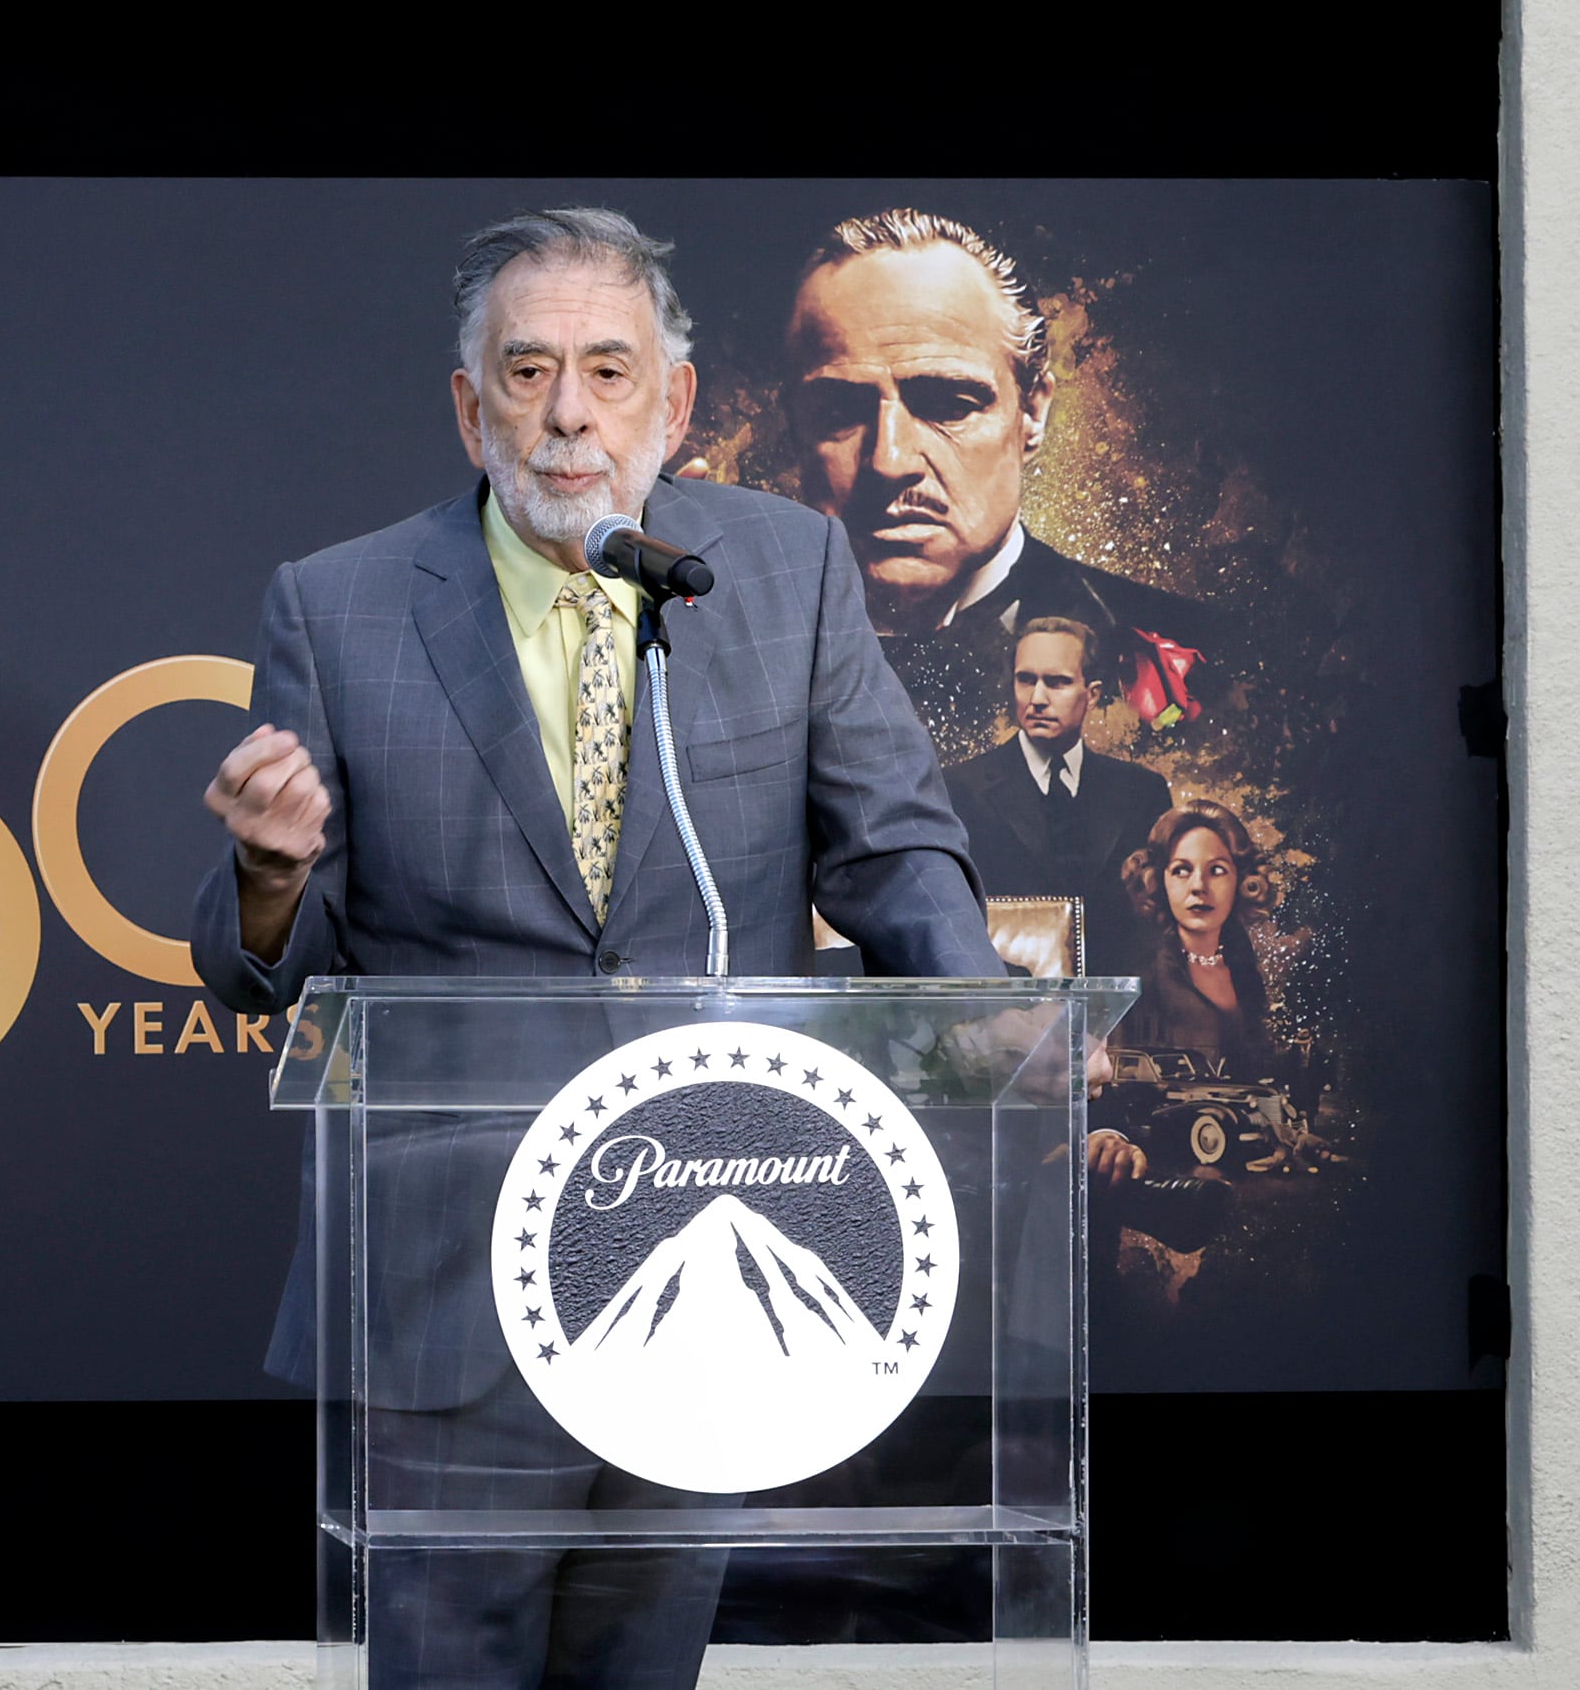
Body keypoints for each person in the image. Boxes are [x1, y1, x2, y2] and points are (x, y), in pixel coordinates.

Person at [188, 207, 1015, 1690]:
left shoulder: (776, 574)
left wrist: (966, 1014)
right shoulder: (341, 605)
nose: (566, 411)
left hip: (706, 1248)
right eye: (525, 371)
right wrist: (267, 869)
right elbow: (270, 972)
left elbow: (889, 841)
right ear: (467, 405)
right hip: (446, 1289)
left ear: (674, 402)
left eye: (606, 371)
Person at [778, 208, 1217, 726]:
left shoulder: (1191, 661)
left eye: (948, 404)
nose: (889, 460)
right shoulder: (702, 639)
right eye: (838, 412)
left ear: (1031, 413)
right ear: (791, 426)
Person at [942, 616, 1175, 978]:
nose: (1037, 698)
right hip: (1002, 1011)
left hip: (1119, 1015)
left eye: (1057, 682)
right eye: (1026, 680)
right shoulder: (958, 789)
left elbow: (1160, 923)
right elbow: (949, 918)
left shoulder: (1142, 792)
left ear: (1092, 694)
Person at [1120, 800, 1341, 1173]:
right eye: (1181, 871)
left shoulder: (1245, 969)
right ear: (1159, 881)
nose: (1199, 887)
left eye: (1217, 871)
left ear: (1240, 880)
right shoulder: (1140, 979)